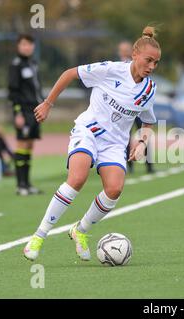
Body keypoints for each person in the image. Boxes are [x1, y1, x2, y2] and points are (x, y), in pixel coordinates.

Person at [23, 26, 160, 262]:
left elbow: (147, 122)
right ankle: (38, 236)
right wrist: (47, 104)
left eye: (156, 63)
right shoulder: (109, 70)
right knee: (77, 178)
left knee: (114, 189)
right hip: (89, 130)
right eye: (148, 60)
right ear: (135, 55)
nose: (151, 67)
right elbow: (69, 73)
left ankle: (80, 231)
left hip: (115, 144)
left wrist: (142, 143)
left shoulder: (149, 89)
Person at [8, 34, 44, 195]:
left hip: (35, 110)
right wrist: (18, 113)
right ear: (18, 46)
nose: (26, 47)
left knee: (29, 146)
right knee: (22, 144)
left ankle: (27, 184)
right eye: (23, 44)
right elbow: (13, 91)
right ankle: (20, 185)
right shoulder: (16, 65)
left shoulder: (33, 64)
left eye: (29, 44)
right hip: (24, 110)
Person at [118, 40, 155, 174]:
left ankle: (149, 165)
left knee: (144, 133)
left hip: (138, 108)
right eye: (122, 50)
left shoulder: (140, 64)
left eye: (127, 49)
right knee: (124, 136)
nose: (125, 52)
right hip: (124, 109)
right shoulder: (117, 66)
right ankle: (128, 165)